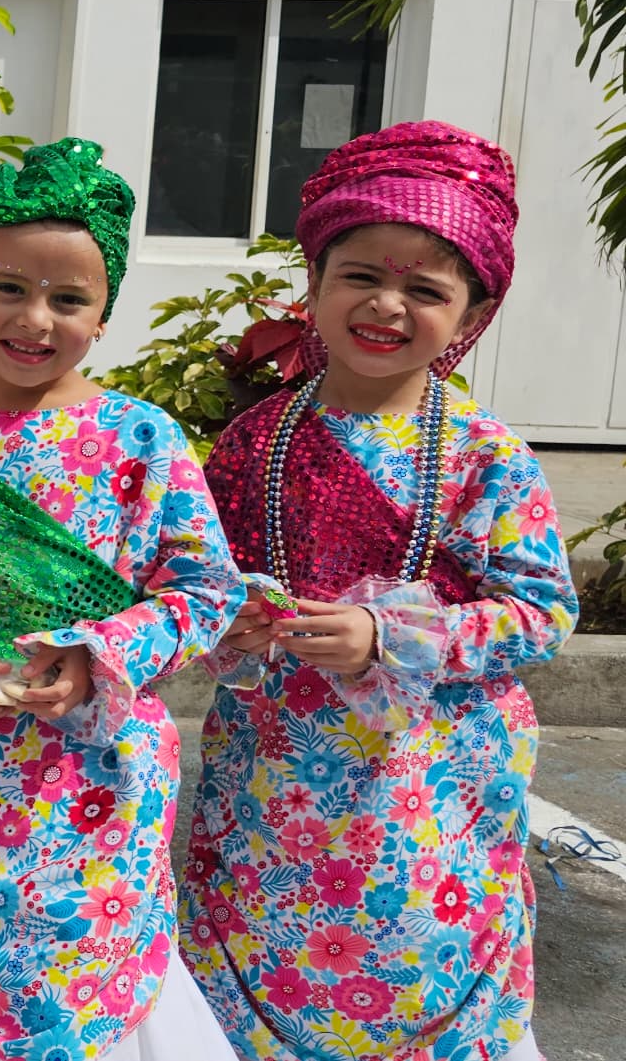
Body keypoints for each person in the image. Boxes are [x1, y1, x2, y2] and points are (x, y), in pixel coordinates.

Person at [0, 138, 243, 1061]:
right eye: (9, 287)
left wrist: (100, 652)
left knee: (88, 1005)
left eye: (70, 299)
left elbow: (204, 590)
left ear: (104, 314)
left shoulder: (141, 436)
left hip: (90, 790)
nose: (36, 318)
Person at [183, 122, 575, 1061]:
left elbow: (543, 611)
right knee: (254, 980)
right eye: (361, 274)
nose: (386, 305)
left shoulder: (489, 455)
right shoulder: (251, 443)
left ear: (472, 313)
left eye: (425, 289)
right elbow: (194, 584)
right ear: (314, 284)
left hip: (430, 790)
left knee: (419, 977)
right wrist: (228, 617)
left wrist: (390, 635)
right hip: (269, 789)